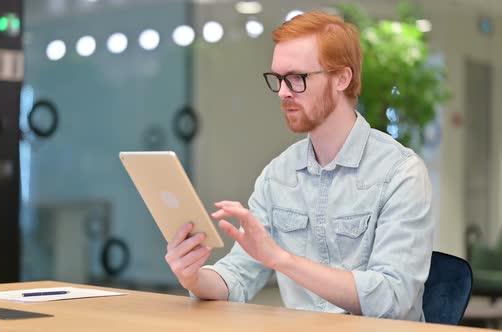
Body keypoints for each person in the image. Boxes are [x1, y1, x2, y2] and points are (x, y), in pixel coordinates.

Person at [164, 10, 434, 321]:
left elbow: (391, 299)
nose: (283, 92)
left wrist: (281, 259)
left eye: (297, 78)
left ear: (342, 79)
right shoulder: (278, 176)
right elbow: (237, 278)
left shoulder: (401, 173)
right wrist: (194, 278)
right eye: (278, 79)